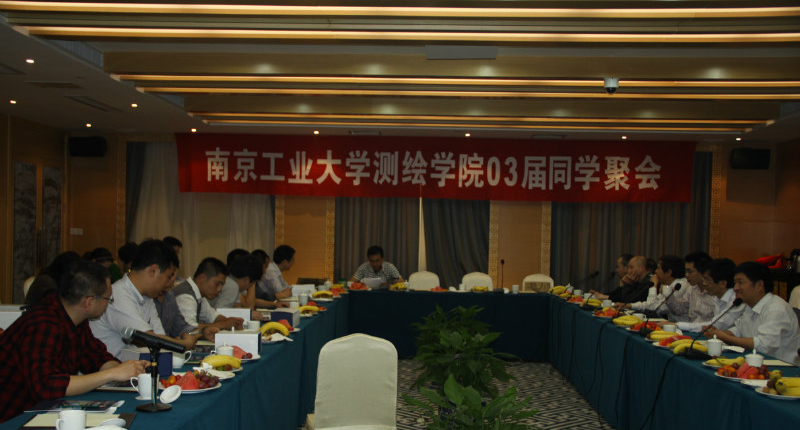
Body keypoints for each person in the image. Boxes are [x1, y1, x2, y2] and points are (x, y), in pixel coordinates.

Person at [0, 260, 148, 422]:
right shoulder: (43, 324)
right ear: (89, 302)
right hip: (12, 416)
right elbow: (48, 386)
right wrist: (112, 374)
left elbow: (95, 357)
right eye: (108, 299)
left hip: (40, 411)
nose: (108, 303)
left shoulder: (74, 318)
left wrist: (126, 370)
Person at [90, 239, 201, 359]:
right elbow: (147, 339)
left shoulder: (147, 297)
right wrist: (183, 344)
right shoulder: (118, 294)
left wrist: (175, 342)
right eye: (168, 277)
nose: (168, 283)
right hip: (111, 368)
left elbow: (159, 336)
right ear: (153, 271)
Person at [705, 262, 800, 365]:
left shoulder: (776, 308)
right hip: (757, 363)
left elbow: (763, 345)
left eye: (740, 283)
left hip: (783, 368)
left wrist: (725, 337)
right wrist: (716, 333)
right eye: (735, 282)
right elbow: (738, 330)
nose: (735, 288)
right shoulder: (750, 306)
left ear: (759, 285)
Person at [173, 257, 243, 331]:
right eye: (217, 284)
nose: (220, 289)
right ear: (202, 278)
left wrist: (231, 321)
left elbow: (211, 315)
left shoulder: (199, 294)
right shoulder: (186, 296)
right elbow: (189, 328)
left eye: (222, 285)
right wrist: (223, 324)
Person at [677, 258, 744, 332]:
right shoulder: (717, 297)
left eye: (707, 280)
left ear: (722, 283)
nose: (704, 284)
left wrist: (678, 325)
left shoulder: (737, 300)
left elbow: (715, 325)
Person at [622, 255, 689, 318]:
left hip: (680, 326)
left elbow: (653, 308)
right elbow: (652, 304)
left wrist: (653, 285)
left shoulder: (680, 286)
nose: (656, 271)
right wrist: (629, 305)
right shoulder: (668, 285)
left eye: (658, 268)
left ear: (668, 272)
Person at [663, 251, 715, 323]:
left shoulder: (715, 292)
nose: (687, 275)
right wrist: (669, 295)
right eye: (686, 271)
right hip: (690, 328)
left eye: (690, 272)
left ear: (703, 272)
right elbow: (679, 310)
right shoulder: (692, 289)